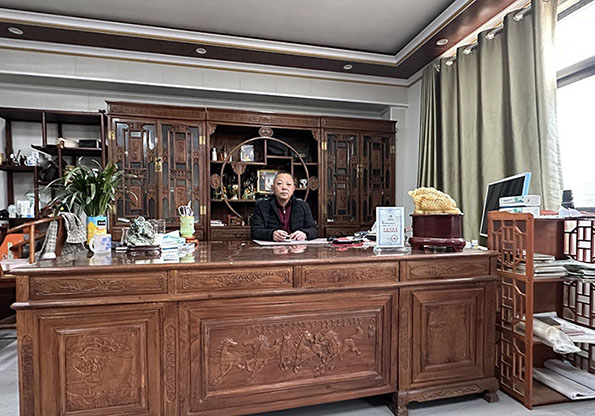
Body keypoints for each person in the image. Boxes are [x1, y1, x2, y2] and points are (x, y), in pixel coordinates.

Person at [251, 172, 318, 241]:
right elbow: (255, 231)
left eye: (288, 184)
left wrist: (304, 234)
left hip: (297, 246)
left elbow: (313, 230)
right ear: (273, 188)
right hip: (272, 246)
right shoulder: (261, 207)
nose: (284, 188)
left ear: (293, 189)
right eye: (279, 184)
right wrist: (271, 234)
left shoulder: (303, 206)